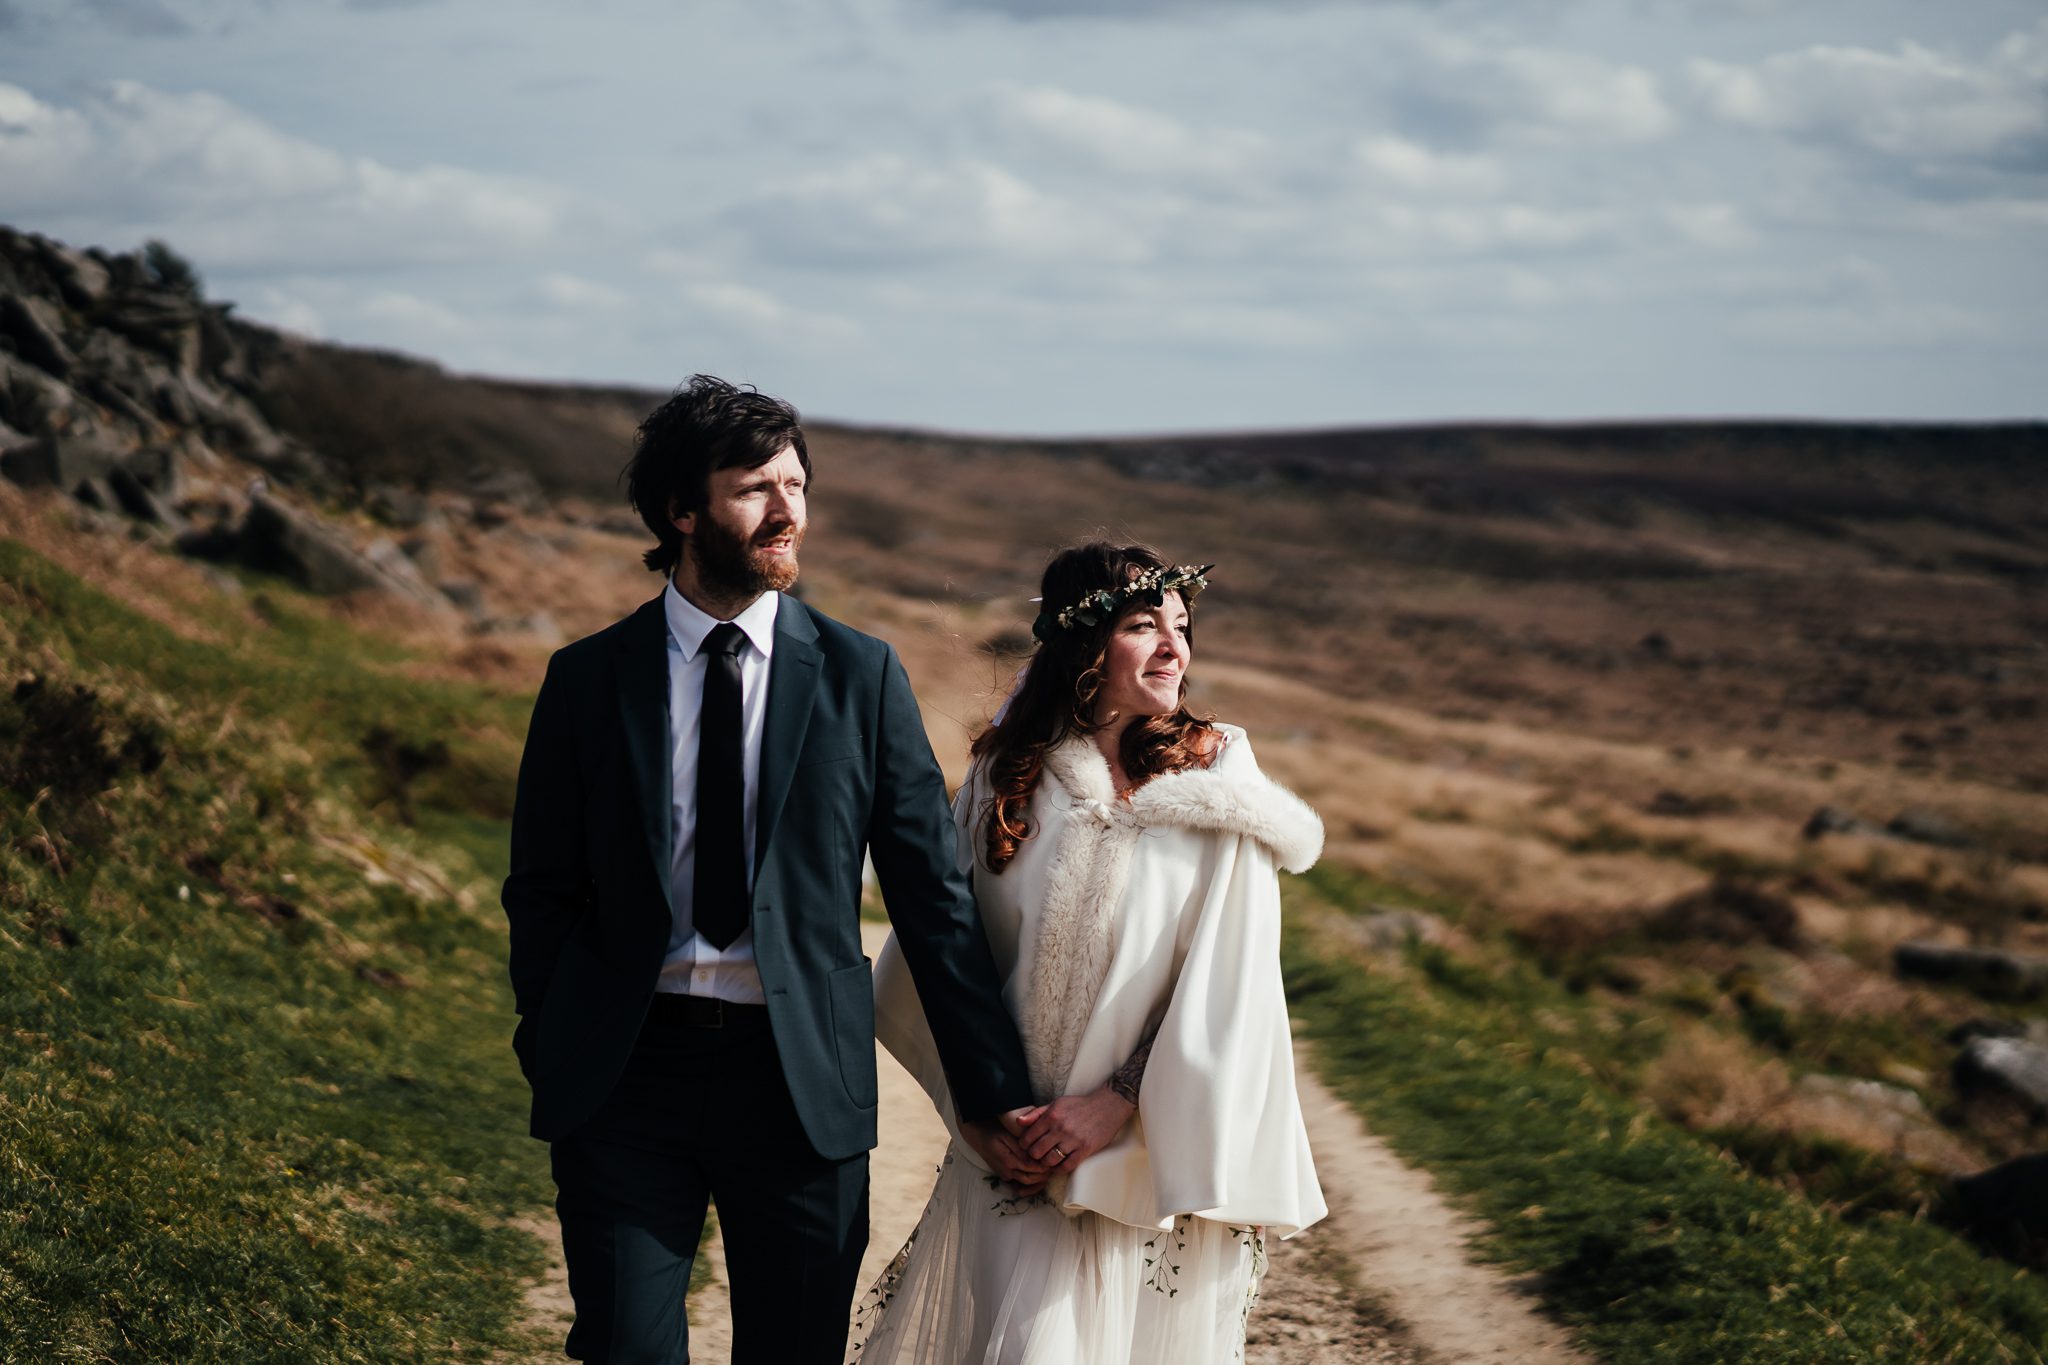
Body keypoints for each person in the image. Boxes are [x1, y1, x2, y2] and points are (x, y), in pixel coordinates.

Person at [502, 375, 1045, 1364]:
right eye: (755, 487)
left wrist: (991, 1092)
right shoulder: (586, 680)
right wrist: (550, 1031)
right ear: (681, 510)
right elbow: (541, 883)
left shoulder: (860, 676)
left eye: (796, 485)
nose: (786, 509)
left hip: (798, 1084)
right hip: (628, 1078)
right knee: (626, 1347)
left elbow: (933, 899)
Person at [858, 542, 1329, 1364]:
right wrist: (988, 1114)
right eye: (1145, 625)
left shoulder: (1221, 773)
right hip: (1018, 1153)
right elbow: (947, 952)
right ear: (1082, 645)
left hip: (1144, 1148)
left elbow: (1231, 976)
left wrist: (1115, 1101)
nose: (1175, 648)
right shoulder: (1007, 776)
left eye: (1182, 626)